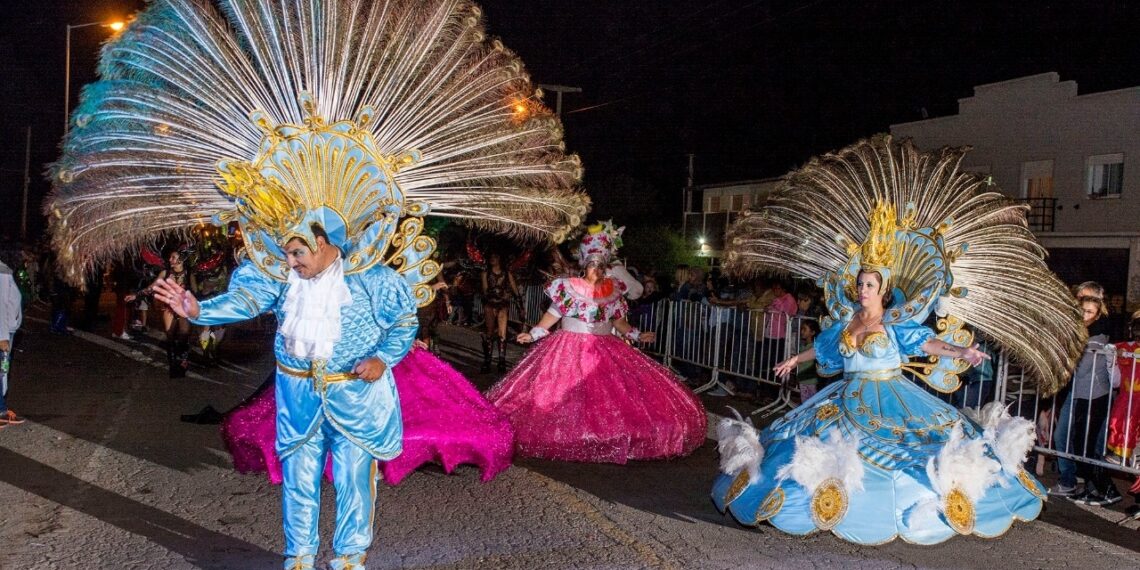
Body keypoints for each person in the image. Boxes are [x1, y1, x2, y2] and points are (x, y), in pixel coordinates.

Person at [712, 137, 1083, 545]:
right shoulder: (847, 320)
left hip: (892, 397)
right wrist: (794, 360)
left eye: (869, 285)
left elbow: (928, 346)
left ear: (883, 290)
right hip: (843, 397)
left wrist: (963, 350)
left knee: (908, 454)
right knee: (807, 450)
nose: (862, 290)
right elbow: (825, 349)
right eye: (859, 284)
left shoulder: (895, 323)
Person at [155, 223, 419, 568]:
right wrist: (198, 311)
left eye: (297, 253)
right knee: (298, 479)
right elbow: (246, 301)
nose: (291, 262)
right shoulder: (284, 278)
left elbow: (404, 322)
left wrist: (382, 358)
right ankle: (299, 556)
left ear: (320, 243)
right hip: (298, 398)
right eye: (286, 254)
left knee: (354, 479)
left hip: (355, 397)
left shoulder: (370, 277)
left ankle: (350, 556)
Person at [487, 222, 707, 463]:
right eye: (592, 264)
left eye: (601, 265)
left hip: (604, 347)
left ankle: (603, 435)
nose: (597, 270)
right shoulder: (568, 288)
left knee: (611, 398)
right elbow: (552, 316)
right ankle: (571, 435)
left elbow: (619, 323)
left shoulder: (613, 292)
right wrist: (533, 334)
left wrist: (637, 335)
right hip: (567, 348)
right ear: (584, 265)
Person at [221, 337, 515, 487]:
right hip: (345, 358)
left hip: (382, 357)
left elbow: (397, 316)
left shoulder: (381, 279)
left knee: (411, 411)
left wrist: (403, 339)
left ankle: (375, 458)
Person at [1060, 296, 1122, 506]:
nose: (1085, 315)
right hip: (1083, 396)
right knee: (1081, 445)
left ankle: (1107, 489)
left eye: (1090, 312)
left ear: (1097, 315)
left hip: (1096, 397)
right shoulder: (1081, 336)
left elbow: (1080, 367)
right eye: (1082, 310)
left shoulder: (1097, 339)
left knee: (1085, 447)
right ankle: (1092, 488)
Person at [1106, 311, 1140, 466]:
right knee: (1119, 423)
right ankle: (1121, 456)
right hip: (1127, 399)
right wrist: (1112, 355)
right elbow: (1108, 348)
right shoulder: (1124, 347)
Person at [480, 252, 520, 373]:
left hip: (503, 305)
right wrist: (495, 295)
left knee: (502, 333)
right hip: (490, 304)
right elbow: (485, 291)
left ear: (500, 259)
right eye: (491, 257)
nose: (493, 259)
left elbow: (515, 290)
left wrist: (520, 306)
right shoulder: (485, 273)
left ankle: (501, 361)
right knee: (490, 332)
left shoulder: (507, 274)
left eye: (495, 257)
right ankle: (487, 361)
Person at [0, 257, 24, 427]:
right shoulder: (2, 272)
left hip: (7, 329)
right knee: (2, 371)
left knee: (3, 371)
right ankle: (1, 410)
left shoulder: (5, 271)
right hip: (4, 331)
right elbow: (1, 305)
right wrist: (2, 337)